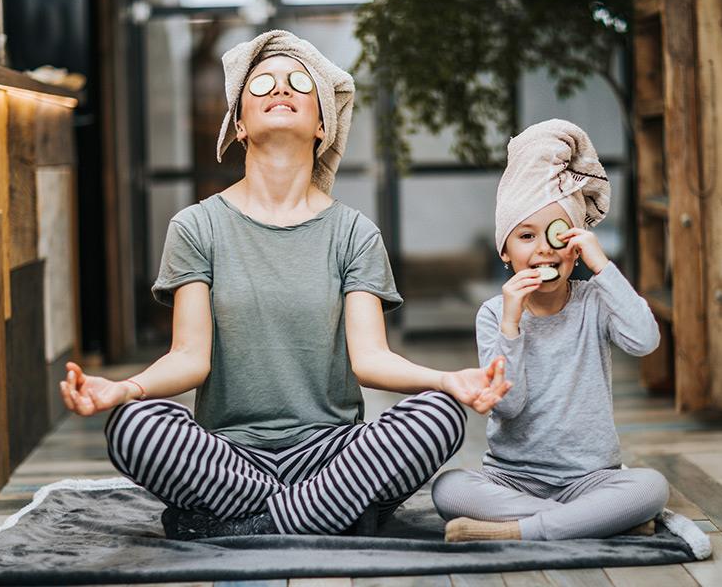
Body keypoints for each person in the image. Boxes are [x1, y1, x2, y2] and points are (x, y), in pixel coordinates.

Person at [59, 30, 510, 540]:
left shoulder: (354, 232)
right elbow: (189, 356)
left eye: (299, 83)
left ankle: (246, 523)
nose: (280, 89)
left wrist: (446, 380)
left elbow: (371, 360)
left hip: (332, 453)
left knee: (440, 415)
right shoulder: (196, 226)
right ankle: (327, 514)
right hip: (228, 457)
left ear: (323, 124)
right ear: (240, 125)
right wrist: (124, 389)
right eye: (262, 84)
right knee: (131, 426)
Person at [431, 119, 669, 542]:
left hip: (591, 477)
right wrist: (511, 324)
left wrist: (604, 267)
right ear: (506, 251)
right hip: (513, 479)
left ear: (575, 245)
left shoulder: (595, 300)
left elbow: (645, 340)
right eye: (525, 236)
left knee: (650, 486)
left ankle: (522, 529)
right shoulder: (494, 314)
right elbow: (509, 405)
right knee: (449, 487)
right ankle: (592, 521)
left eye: (556, 235)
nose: (542, 247)